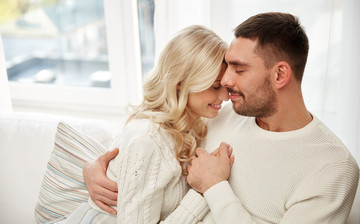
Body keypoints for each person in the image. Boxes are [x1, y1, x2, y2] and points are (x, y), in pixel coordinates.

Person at [84, 12, 359, 223]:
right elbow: (149, 150)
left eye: (238, 70)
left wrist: (215, 187)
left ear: (279, 75)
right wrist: (96, 170)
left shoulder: (331, 167)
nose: (225, 81)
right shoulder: (220, 116)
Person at [57, 25, 232, 223]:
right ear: (181, 82)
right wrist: (202, 193)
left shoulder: (194, 125)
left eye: (225, 86)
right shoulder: (148, 141)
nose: (225, 96)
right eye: (215, 86)